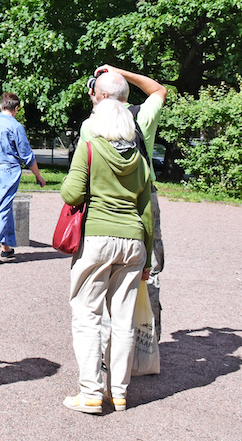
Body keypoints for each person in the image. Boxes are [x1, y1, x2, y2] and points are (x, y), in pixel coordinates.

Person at [61, 98, 154, 415]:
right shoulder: (141, 162)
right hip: (133, 244)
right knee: (124, 320)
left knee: (87, 315)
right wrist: (149, 259)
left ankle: (90, 392)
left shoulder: (89, 150)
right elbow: (148, 213)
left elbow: (71, 194)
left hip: (98, 240)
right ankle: (119, 393)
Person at [82, 64, 167, 339]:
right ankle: (146, 340)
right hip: (143, 200)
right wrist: (119, 73)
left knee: (101, 274)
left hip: (101, 204)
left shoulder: (89, 127)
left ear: (103, 97)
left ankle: (108, 345)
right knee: (147, 271)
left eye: (94, 93)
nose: (91, 97)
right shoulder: (142, 116)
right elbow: (158, 90)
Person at [0, 91, 46, 264]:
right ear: (16, 108)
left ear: (1, 105)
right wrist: (38, 175)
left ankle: (6, 248)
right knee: (3, 207)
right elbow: (27, 156)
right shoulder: (16, 127)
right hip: (8, 171)